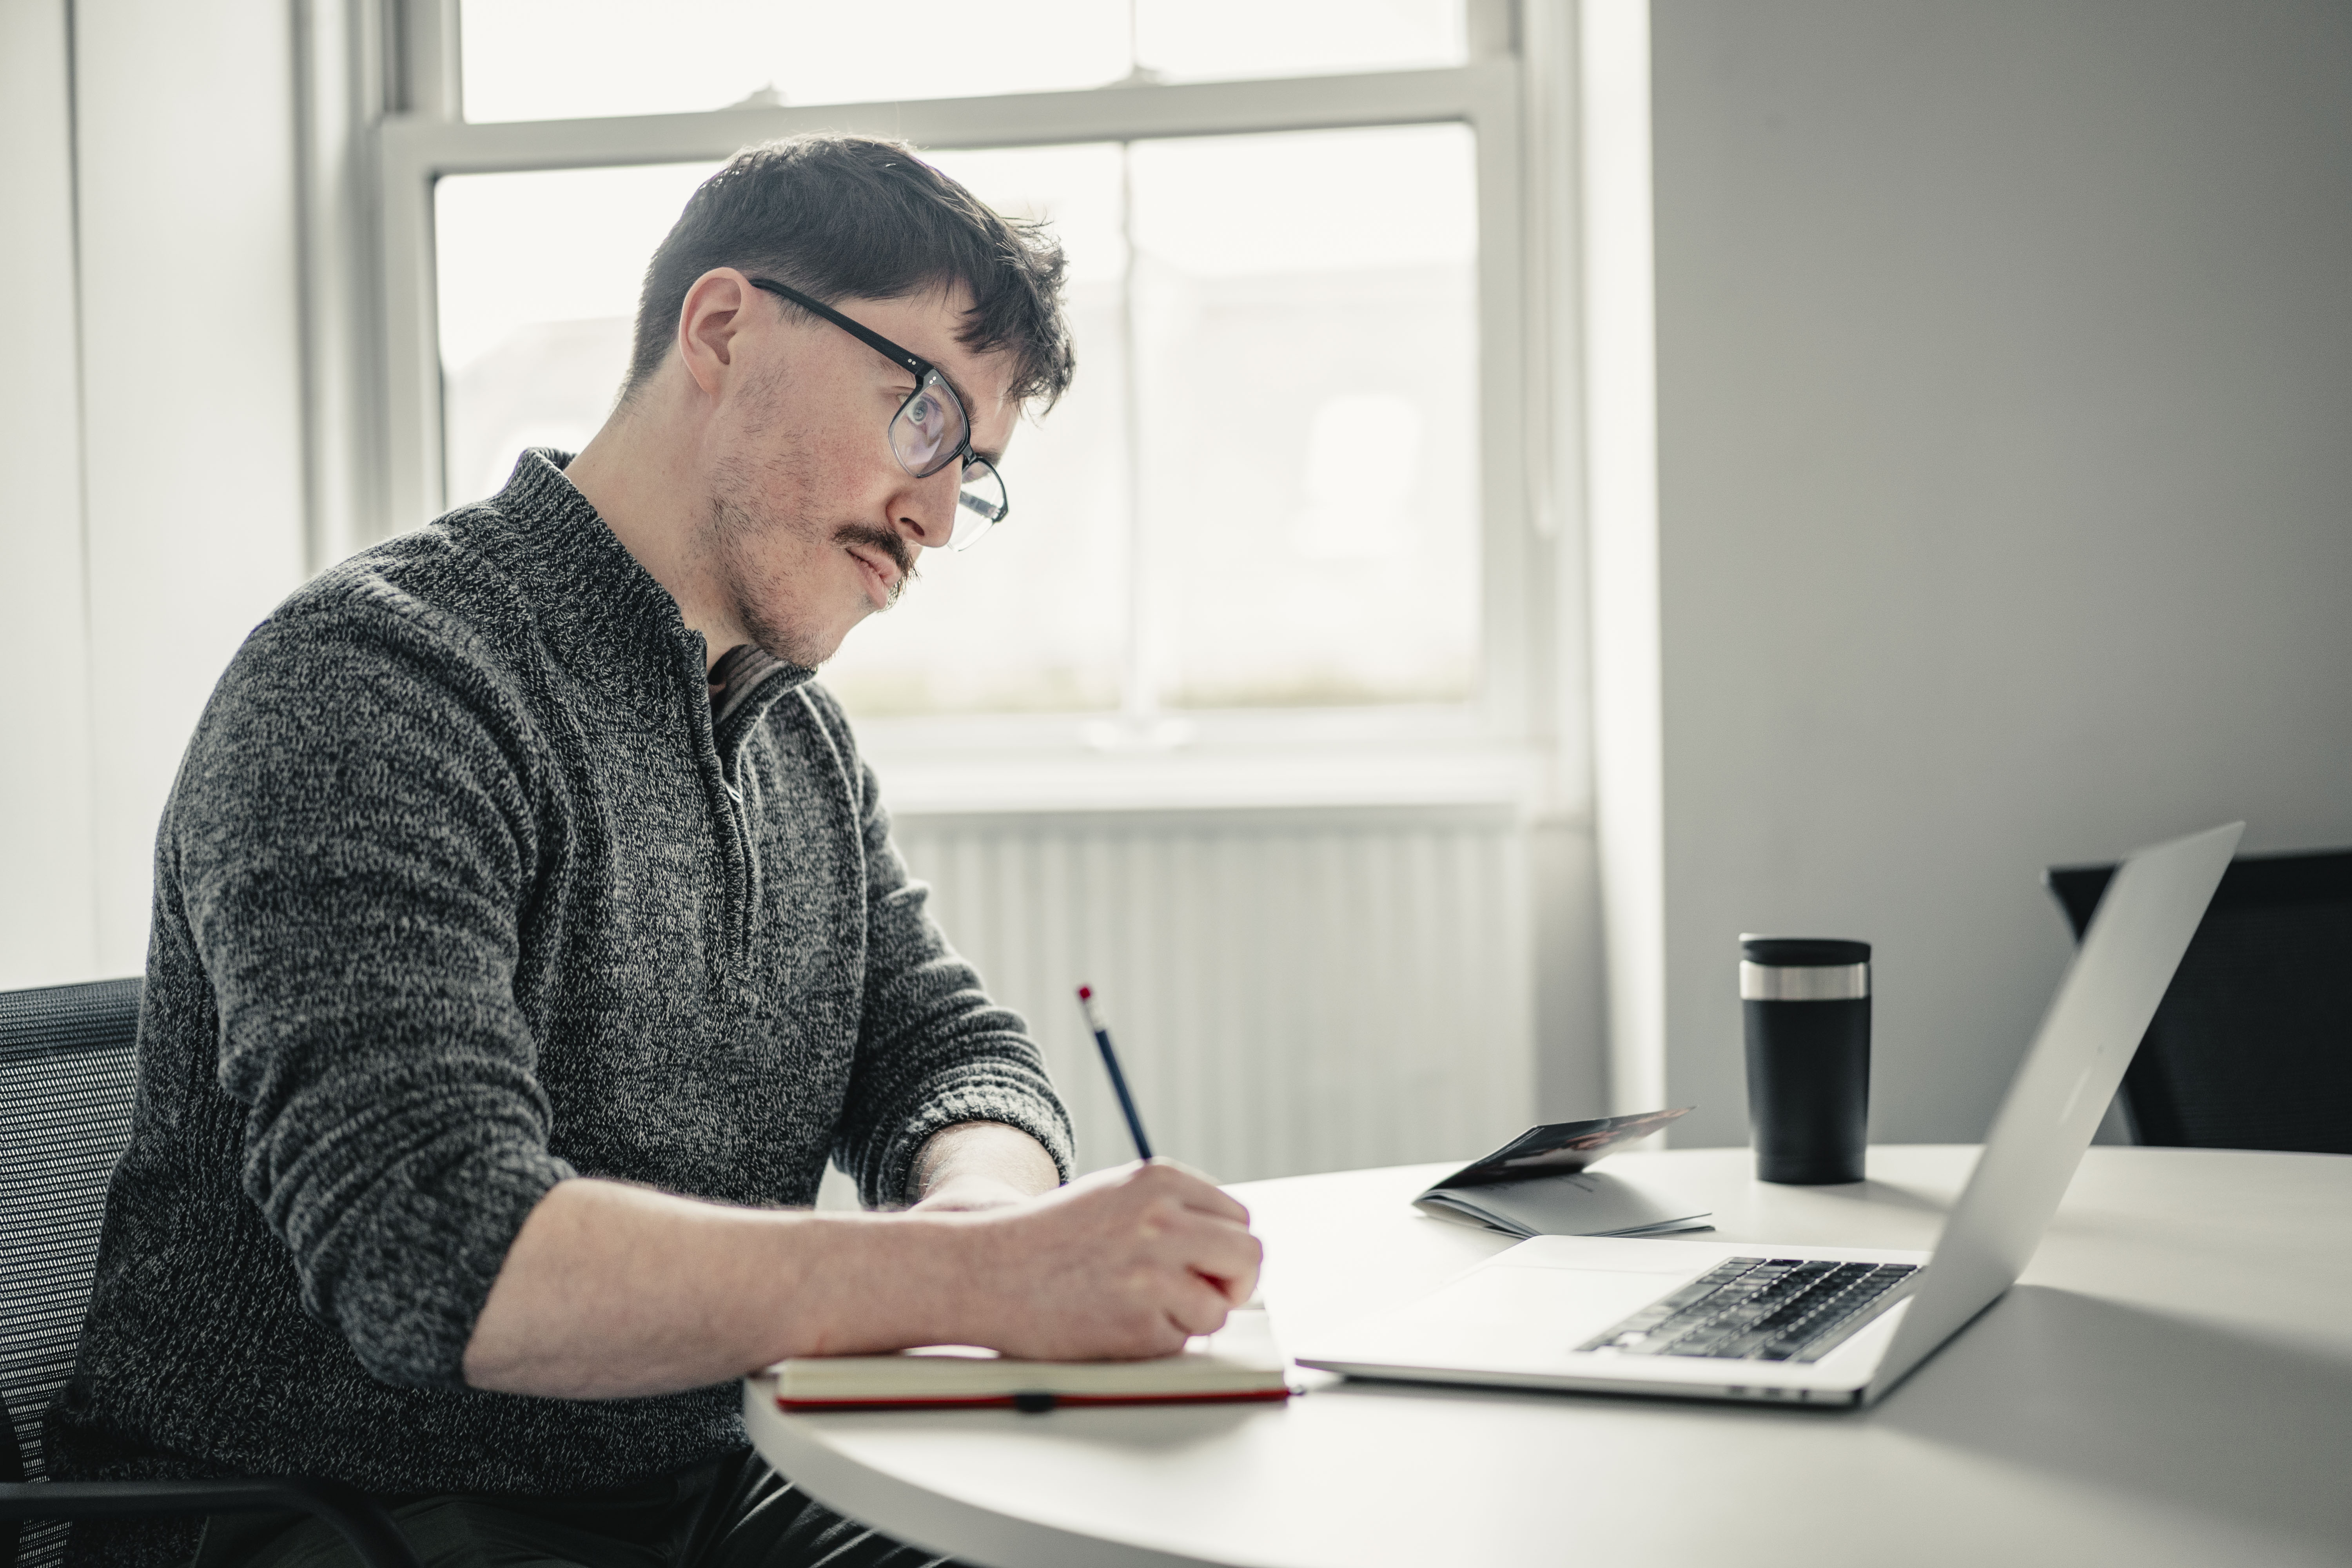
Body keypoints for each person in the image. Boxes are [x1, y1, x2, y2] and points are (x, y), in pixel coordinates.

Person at [49, 133, 1261, 1568]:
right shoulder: (376, 681)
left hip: (686, 1488)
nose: (937, 517)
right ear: (726, 329)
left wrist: (990, 1212)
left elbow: (948, 1053)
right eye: (925, 416)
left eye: (974, 472)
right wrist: (977, 1275)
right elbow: (438, 1256)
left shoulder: (793, 741)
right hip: (341, 1520)